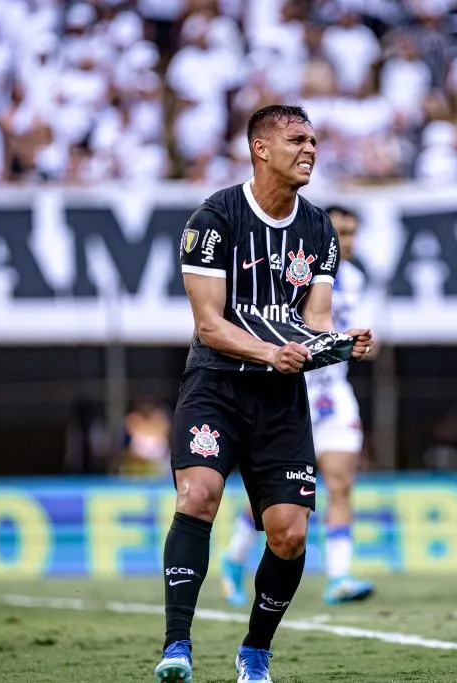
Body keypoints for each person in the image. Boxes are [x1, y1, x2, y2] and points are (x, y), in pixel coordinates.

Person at [154, 104, 376, 683]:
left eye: (314, 141)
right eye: (298, 140)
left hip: (281, 399)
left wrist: (340, 345)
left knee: (290, 533)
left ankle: (255, 651)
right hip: (217, 386)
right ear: (261, 149)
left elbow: (315, 320)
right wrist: (270, 352)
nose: (310, 150)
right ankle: (177, 645)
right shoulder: (214, 218)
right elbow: (209, 325)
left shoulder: (319, 228)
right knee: (198, 495)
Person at [219, 205, 379, 608]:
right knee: (274, 500)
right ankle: (234, 559)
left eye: (352, 233)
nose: (347, 243)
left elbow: (355, 337)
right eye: (340, 233)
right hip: (287, 396)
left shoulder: (356, 279)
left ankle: (339, 576)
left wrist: (362, 345)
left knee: (340, 484)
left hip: (333, 397)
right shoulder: (291, 273)